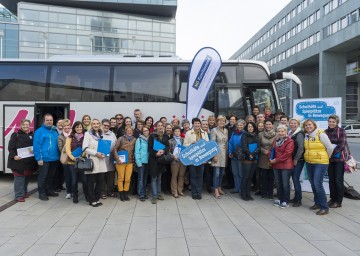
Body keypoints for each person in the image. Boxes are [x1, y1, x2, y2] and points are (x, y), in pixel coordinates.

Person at [303, 119, 333, 215]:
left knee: (317, 183)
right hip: (309, 162)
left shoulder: (320, 134)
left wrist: (325, 157)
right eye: (306, 125)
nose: (308, 126)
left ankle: (324, 207)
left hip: (320, 163)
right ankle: (318, 203)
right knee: (313, 183)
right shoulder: (306, 135)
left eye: (309, 124)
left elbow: (330, 147)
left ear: (314, 125)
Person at [7, 119, 38, 202]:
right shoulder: (15, 135)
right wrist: (14, 156)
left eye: (27, 124)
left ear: (29, 125)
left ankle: (24, 192)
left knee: (26, 178)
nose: (25, 126)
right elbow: (10, 148)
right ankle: (18, 195)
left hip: (29, 161)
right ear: (21, 126)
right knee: (19, 178)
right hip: (18, 161)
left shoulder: (32, 135)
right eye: (24, 124)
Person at [33, 114, 60, 201]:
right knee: (43, 176)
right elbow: (37, 146)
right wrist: (39, 158)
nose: (49, 122)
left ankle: (49, 190)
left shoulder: (54, 131)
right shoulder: (39, 131)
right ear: (44, 121)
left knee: (51, 176)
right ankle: (42, 193)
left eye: (51, 120)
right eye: (47, 120)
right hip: (44, 159)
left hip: (54, 158)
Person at [83, 119, 107, 207]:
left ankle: (97, 199)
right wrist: (96, 153)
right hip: (93, 160)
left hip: (102, 161)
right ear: (91, 125)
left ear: (99, 124)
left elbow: (105, 146)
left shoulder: (101, 134)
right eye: (94, 124)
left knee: (100, 181)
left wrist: (106, 152)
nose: (96, 125)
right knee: (91, 181)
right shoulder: (87, 134)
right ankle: (92, 199)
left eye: (97, 123)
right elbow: (85, 148)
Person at [269, 125, 294, 209]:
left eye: (282, 131)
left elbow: (287, 154)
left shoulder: (290, 141)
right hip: (276, 165)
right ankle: (279, 199)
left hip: (286, 166)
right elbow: (272, 150)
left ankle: (285, 201)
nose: (281, 133)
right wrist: (270, 158)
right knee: (278, 183)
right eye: (279, 131)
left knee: (285, 184)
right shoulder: (276, 140)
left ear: (286, 132)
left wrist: (275, 160)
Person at [325, 114, 347, 208]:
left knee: (338, 180)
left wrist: (331, 152)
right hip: (329, 159)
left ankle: (338, 201)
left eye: (333, 122)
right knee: (331, 179)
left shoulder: (341, 131)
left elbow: (342, 145)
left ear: (337, 122)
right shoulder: (325, 132)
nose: (331, 123)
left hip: (339, 159)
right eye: (330, 121)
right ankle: (332, 198)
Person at [184, 118, 209, 200]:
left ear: (200, 124)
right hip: (192, 159)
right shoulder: (188, 133)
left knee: (200, 176)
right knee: (193, 176)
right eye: (195, 123)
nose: (197, 124)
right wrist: (191, 144)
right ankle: (194, 192)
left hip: (202, 159)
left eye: (198, 123)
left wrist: (206, 158)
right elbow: (184, 145)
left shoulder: (204, 133)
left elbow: (207, 146)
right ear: (193, 124)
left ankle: (199, 192)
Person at [65, 121, 87, 203]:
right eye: (77, 127)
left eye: (80, 127)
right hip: (72, 162)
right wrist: (73, 158)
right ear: (74, 128)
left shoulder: (85, 136)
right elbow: (67, 149)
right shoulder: (70, 137)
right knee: (74, 180)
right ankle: (75, 195)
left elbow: (86, 147)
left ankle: (86, 194)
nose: (79, 128)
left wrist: (82, 156)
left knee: (84, 180)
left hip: (82, 161)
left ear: (82, 127)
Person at [148, 121, 170, 204]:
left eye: (161, 125)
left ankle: (159, 194)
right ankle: (154, 196)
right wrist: (156, 153)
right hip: (154, 160)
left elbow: (167, 146)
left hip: (162, 160)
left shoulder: (165, 136)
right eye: (159, 125)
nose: (160, 127)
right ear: (156, 127)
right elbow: (149, 149)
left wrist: (163, 151)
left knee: (159, 179)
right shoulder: (152, 136)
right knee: (154, 178)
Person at [114, 125, 136, 201]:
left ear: (133, 132)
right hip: (121, 161)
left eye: (131, 130)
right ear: (126, 131)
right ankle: (121, 193)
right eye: (128, 130)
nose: (129, 132)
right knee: (121, 178)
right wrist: (117, 158)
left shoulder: (134, 139)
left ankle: (126, 193)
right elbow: (115, 149)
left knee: (127, 178)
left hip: (130, 162)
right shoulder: (121, 138)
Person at [288, 118, 305, 207]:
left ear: (298, 124)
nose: (293, 124)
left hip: (298, 160)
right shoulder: (290, 133)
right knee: (294, 179)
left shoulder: (299, 134)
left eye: (295, 123)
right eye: (291, 123)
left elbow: (301, 148)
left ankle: (298, 200)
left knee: (295, 179)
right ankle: (296, 198)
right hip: (291, 160)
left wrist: (296, 159)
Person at [258, 119, 276, 199]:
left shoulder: (277, 134)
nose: (268, 126)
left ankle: (270, 193)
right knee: (263, 176)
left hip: (273, 157)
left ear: (272, 125)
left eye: (270, 124)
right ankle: (264, 192)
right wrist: (263, 150)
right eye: (267, 124)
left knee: (271, 177)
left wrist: (271, 152)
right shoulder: (260, 134)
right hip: (263, 157)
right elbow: (258, 145)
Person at [241, 122, 259, 201]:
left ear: (254, 127)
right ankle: (243, 193)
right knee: (246, 177)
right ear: (246, 128)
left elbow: (259, 146)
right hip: (247, 158)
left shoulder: (256, 136)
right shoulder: (244, 135)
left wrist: (254, 153)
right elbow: (244, 147)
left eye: (252, 126)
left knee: (251, 177)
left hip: (254, 158)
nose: (250, 128)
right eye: (249, 126)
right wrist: (250, 154)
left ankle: (248, 193)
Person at [211, 116, 228, 199]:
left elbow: (226, 142)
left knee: (222, 173)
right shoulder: (214, 130)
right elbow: (212, 143)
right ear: (217, 122)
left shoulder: (226, 130)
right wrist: (214, 155)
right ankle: (216, 190)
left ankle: (220, 187)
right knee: (216, 173)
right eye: (220, 121)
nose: (222, 122)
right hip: (217, 153)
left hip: (224, 154)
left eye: (223, 121)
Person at [228, 119, 246, 195]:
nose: (239, 126)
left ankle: (241, 189)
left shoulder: (245, 134)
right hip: (234, 155)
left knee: (241, 173)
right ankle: (236, 188)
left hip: (241, 156)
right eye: (238, 125)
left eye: (241, 125)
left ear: (244, 126)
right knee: (235, 172)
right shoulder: (234, 133)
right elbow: (230, 142)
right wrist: (230, 152)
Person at [168, 126, 187, 198]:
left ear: (180, 132)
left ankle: (180, 190)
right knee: (174, 176)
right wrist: (173, 156)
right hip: (174, 161)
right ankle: (174, 191)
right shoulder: (170, 141)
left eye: (178, 131)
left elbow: (187, 149)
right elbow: (168, 152)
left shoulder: (184, 140)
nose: (177, 132)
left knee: (181, 176)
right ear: (173, 132)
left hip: (183, 160)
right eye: (175, 131)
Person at [101, 119, 117, 198]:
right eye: (105, 125)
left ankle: (110, 191)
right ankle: (103, 192)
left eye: (108, 125)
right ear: (102, 125)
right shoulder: (98, 133)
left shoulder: (112, 134)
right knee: (102, 175)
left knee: (111, 176)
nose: (106, 127)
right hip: (101, 158)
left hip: (110, 157)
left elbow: (115, 145)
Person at [57, 119, 72, 199]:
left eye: (68, 125)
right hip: (66, 159)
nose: (67, 127)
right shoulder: (60, 137)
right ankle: (69, 192)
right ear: (62, 127)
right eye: (65, 126)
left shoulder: (73, 134)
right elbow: (61, 149)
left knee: (74, 176)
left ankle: (74, 190)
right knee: (68, 176)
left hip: (74, 158)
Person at [135, 126, 150, 201]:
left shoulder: (151, 139)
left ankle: (144, 192)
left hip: (148, 162)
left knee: (145, 179)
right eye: (144, 131)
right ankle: (141, 194)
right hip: (141, 162)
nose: (146, 132)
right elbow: (137, 151)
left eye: (147, 130)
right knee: (140, 179)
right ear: (142, 132)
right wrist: (138, 162)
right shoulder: (139, 139)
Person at [224, 115, 237, 190]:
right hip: (226, 149)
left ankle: (233, 183)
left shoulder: (236, 128)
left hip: (233, 150)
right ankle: (229, 183)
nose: (232, 120)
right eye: (231, 119)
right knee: (227, 167)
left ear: (235, 121)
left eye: (233, 119)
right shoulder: (226, 127)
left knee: (233, 168)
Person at [201, 120, 213, 193]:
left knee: (208, 172)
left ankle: (209, 187)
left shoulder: (210, 133)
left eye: (206, 124)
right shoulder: (199, 133)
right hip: (200, 155)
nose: (205, 126)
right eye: (203, 124)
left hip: (208, 154)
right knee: (200, 171)